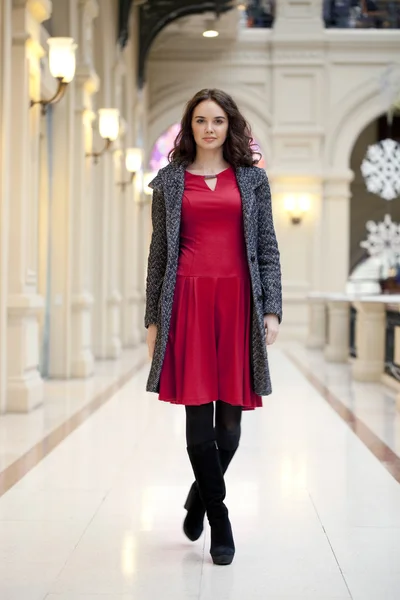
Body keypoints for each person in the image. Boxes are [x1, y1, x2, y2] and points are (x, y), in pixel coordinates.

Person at [144, 89, 282, 566]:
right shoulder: (169, 182)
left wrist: (272, 309)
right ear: (190, 126)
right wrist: (153, 319)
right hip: (187, 302)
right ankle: (220, 519)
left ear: (230, 126)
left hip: (239, 302)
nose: (209, 128)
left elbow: (267, 247)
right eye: (200, 120)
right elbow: (158, 255)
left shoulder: (252, 181)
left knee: (231, 427)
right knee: (199, 416)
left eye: (218, 120)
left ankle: (197, 496)